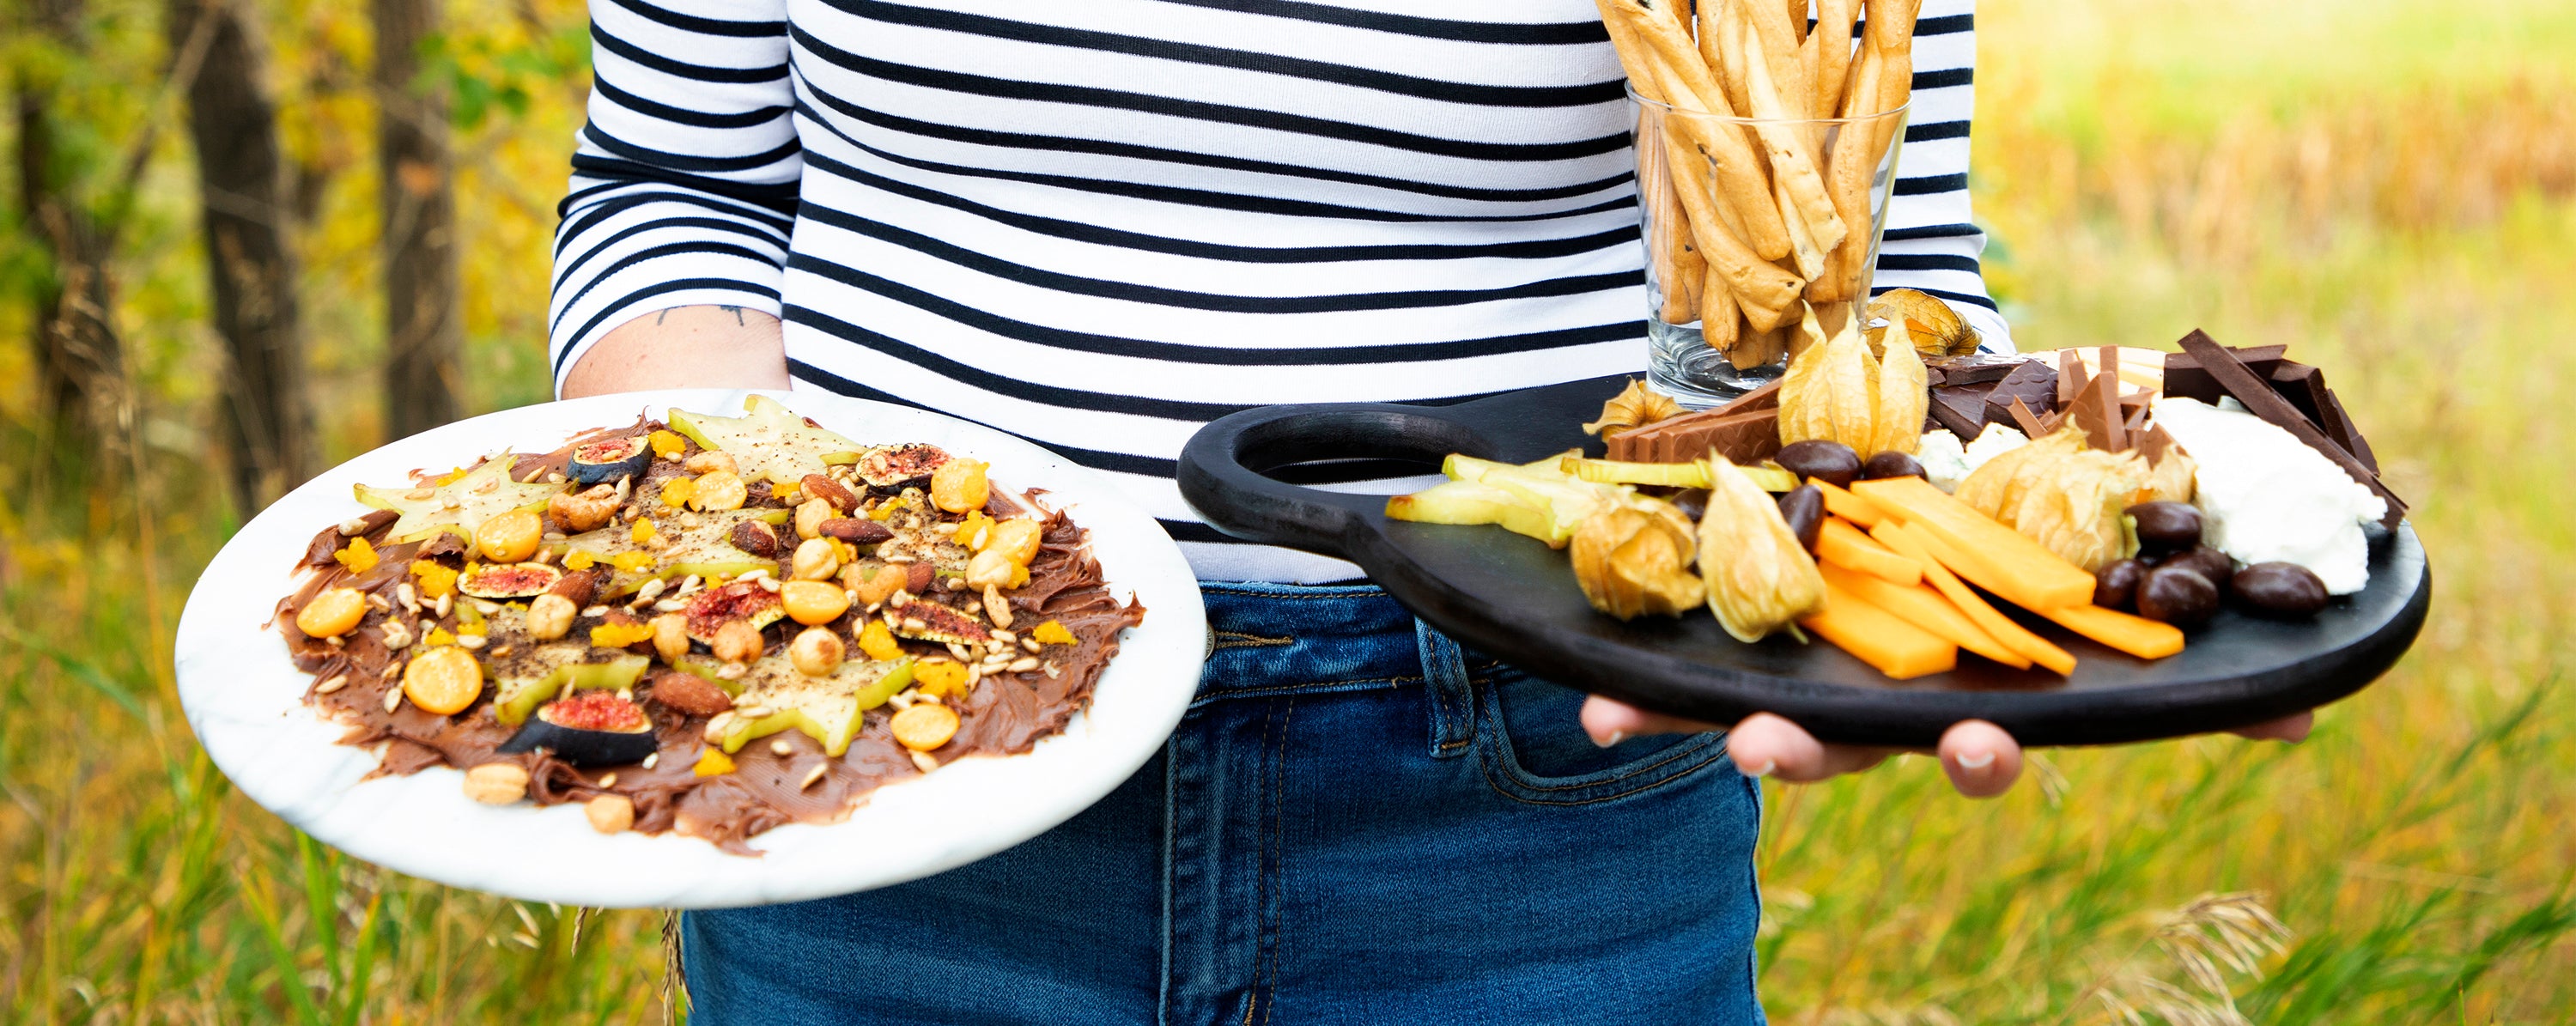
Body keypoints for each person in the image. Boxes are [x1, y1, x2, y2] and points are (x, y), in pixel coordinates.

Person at [550, 1, 2306, 1021]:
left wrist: (1894, 577)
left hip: (1528, 786)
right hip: (874, 796)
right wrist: (744, 574)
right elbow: (673, 187)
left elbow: (1889, 268)